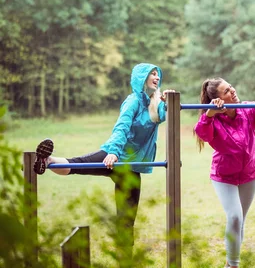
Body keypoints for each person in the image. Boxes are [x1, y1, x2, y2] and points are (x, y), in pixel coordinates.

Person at [33, 63, 175, 260]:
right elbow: (122, 127)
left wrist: (169, 102)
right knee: (78, 164)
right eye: (151, 74)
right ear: (141, 78)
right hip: (114, 157)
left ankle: (125, 260)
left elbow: (164, 114)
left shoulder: (155, 101)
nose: (156, 77)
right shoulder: (132, 101)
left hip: (130, 167)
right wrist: (114, 152)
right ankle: (47, 160)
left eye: (157, 74)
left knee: (126, 219)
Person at [194, 78, 255, 268]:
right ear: (218, 99)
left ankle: (230, 262)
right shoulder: (212, 119)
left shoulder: (246, 109)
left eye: (231, 87)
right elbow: (202, 134)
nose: (232, 91)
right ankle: (233, 265)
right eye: (226, 91)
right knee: (234, 217)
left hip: (250, 173)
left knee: (240, 220)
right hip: (224, 176)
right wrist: (209, 114)